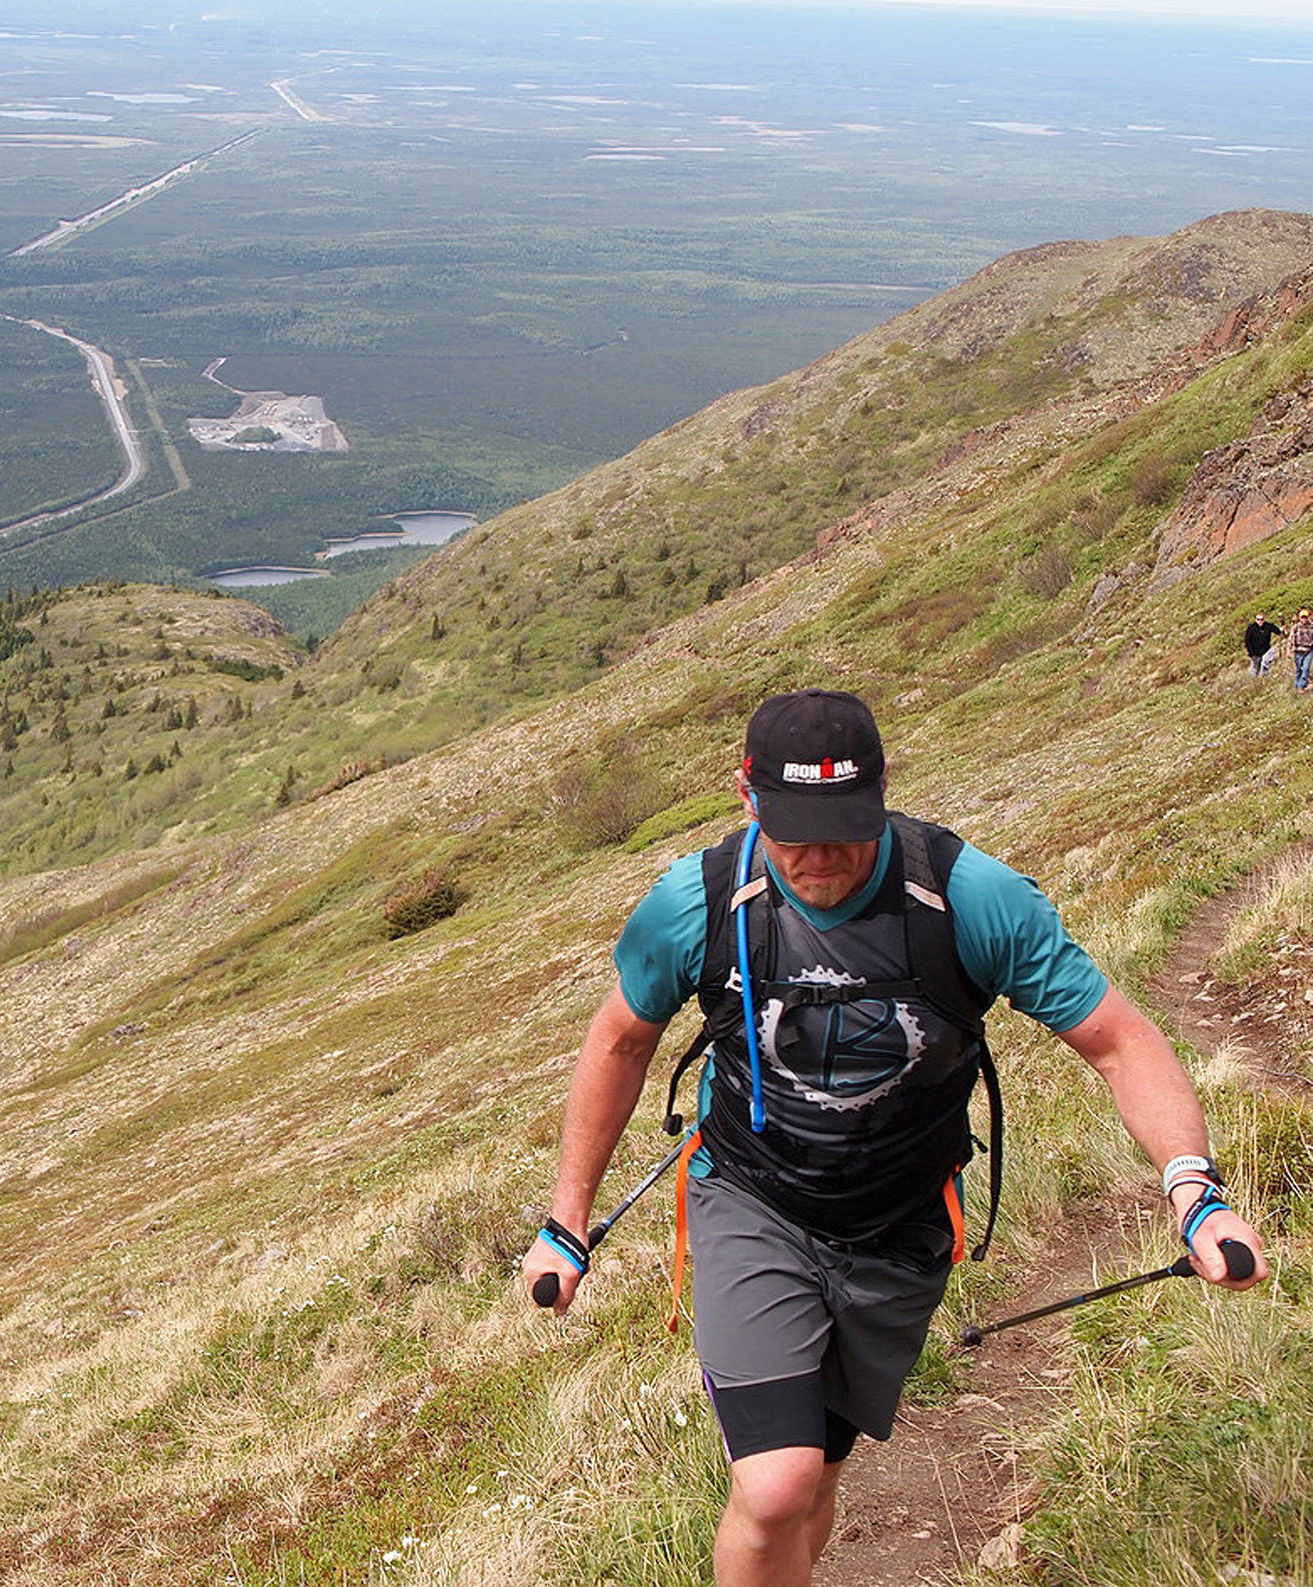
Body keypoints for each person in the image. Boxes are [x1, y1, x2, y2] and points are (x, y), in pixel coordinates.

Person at [522, 688, 1267, 1587]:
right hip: (754, 1198)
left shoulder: (966, 899)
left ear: (885, 791)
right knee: (774, 1485)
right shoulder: (702, 902)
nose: (822, 857)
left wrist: (1195, 1191)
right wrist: (567, 1219)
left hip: (901, 1226)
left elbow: (1120, 1041)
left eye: (845, 826)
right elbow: (620, 1040)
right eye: (795, 829)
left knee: (817, 1474)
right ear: (746, 797)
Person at [1243, 612, 1283, 678]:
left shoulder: (1267, 626)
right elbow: (1247, 641)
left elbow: (1277, 631)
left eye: (1262, 619)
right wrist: (1251, 653)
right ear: (1255, 620)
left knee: (1265, 663)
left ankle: (1265, 678)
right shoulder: (1251, 628)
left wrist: (1281, 630)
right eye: (1258, 619)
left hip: (1266, 650)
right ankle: (1254, 682)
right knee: (1255, 669)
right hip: (1255, 652)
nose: (1260, 621)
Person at [1291, 608, 1313, 692]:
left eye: (1305, 617)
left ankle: (1302, 685)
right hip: (1298, 650)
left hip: (1309, 650)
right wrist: (1290, 650)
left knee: (1306, 668)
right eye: (1302, 617)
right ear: (1299, 618)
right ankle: (1297, 684)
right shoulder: (1296, 627)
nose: (1304, 619)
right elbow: (1291, 638)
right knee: (1299, 669)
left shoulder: (1312, 626)